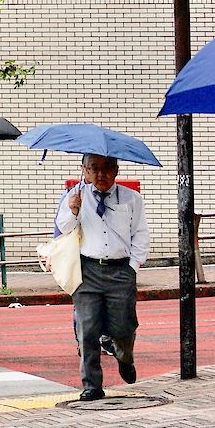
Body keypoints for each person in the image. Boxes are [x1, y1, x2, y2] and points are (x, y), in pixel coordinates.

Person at [56, 154, 148, 402]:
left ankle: (124, 356)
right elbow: (63, 228)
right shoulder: (75, 195)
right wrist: (73, 210)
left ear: (116, 170)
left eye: (107, 168)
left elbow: (140, 235)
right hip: (88, 271)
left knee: (124, 327)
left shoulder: (132, 199)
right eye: (94, 169)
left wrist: (132, 268)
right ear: (84, 170)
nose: (101, 174)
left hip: (120, 271)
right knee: (87, 330)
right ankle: (92, 384)